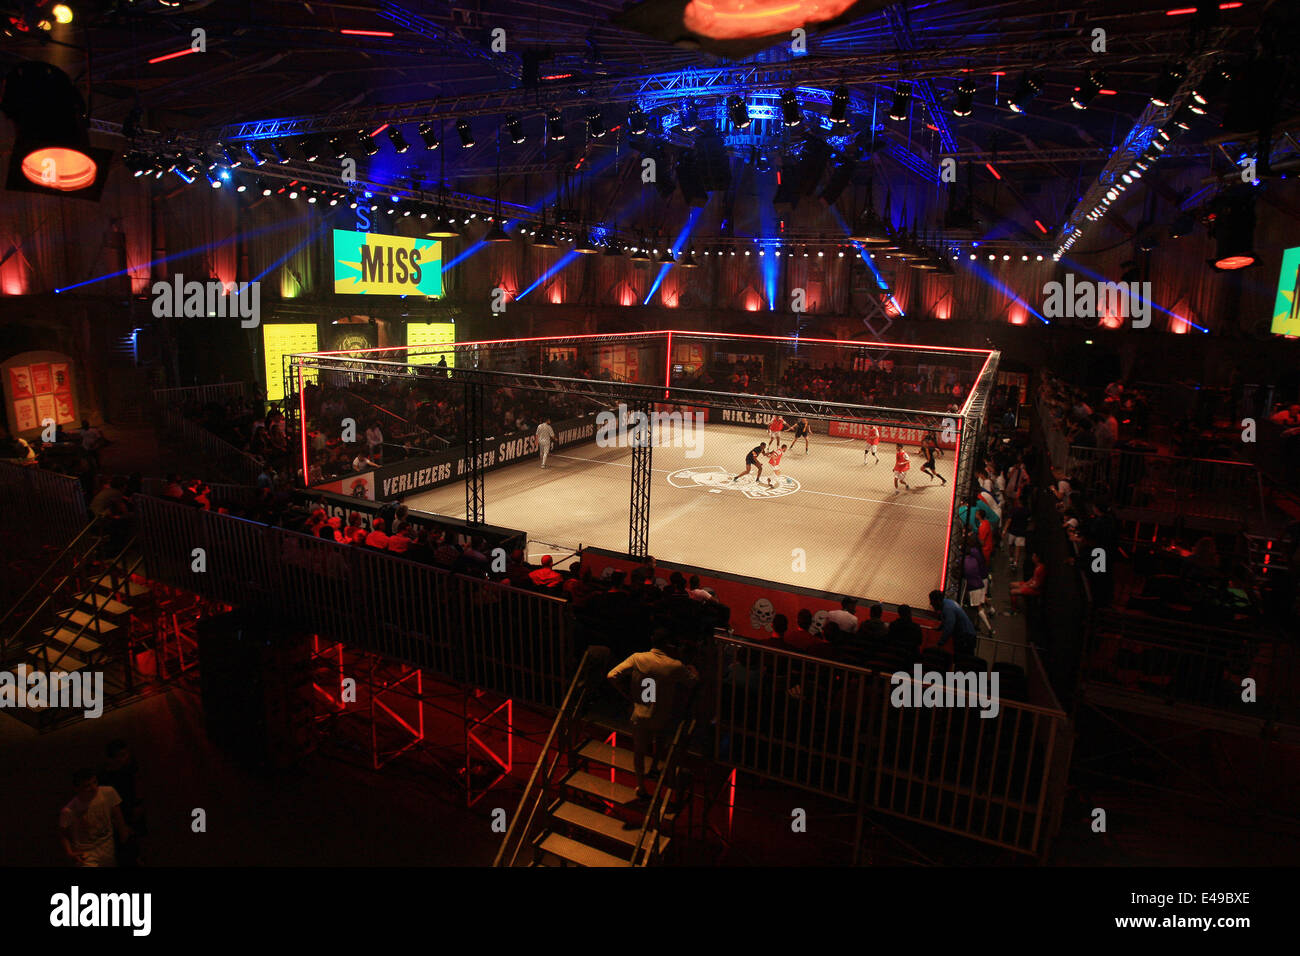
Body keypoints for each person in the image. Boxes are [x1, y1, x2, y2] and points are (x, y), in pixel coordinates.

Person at [606, 633, 698, 800]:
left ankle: (641, 786)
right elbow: (692, 682)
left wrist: (626, 693)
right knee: (661, 741)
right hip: (663, 716)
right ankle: (657, 767)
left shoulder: (637, 658)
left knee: (639, 753)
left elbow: (612, 675)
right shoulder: (674, 665)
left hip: (640, 714)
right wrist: (692, 667)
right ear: (668, 645)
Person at [59, 769, 129, 867]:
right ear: (77, 788)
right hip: (86, 853)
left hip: (107, 848)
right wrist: (69, 852)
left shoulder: (107, 793)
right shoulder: (69, 810)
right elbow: (63, 833)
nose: (93, 788)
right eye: (87, 786)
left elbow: (118, 815)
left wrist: (123, 834)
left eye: (95, 782)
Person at [929, 589, 978, 656]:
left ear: (937, 601)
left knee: (963, 659)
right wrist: (939, 628)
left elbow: (949, 627)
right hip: (967, 635)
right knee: (966, 661)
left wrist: (940, 643)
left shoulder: (948, 609)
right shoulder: (947, 604)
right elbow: (946, 622)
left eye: (932, 601)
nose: (931, 604)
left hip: (965, 637)